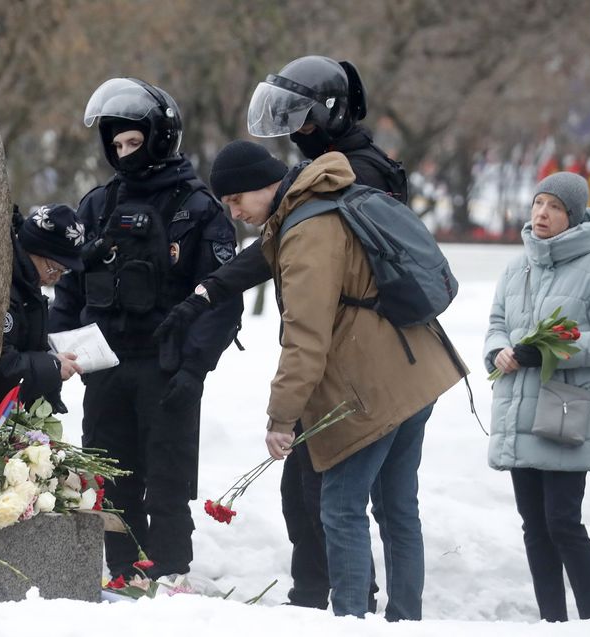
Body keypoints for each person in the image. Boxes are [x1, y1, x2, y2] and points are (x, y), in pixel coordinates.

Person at [157, 55, 402, 610]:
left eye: (304, 122)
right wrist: (204, 294)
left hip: (353, 358)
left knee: (341, 499)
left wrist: (280, 414)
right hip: (335, 359)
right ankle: (321, 596)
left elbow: (309, 307)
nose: (297, 134)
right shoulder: (316, 183)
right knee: (311, 493)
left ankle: (348, 603)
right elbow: (266, 253)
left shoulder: (347, 179)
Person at [208, 140, 464, 620]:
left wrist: (282, 417)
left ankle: (350, 622)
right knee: (397, 511)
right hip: (414, 370)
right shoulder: (327, 201)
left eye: (236, 198)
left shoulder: (308, 230)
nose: (234, 210)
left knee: (341, 510)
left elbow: (306, 337)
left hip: (370, 388)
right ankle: (406, 621)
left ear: (266, 184)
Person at [49, 77, 243, 581]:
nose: (124, 152)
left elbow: (222, 300)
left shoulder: (198, 209)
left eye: (133, 142)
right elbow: (68, 289)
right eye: (116, 144)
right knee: (110, 481)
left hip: (168, 369)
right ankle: (120, 573)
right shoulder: (97, 206)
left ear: (159, 137)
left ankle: (170, 576)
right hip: (105, 368)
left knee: (167, 482)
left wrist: (194, 367)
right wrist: (59, 353)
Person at [484, 172, 590, 622]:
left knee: (563, 522)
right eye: (538, 204)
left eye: (553, 206)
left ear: (571, 215)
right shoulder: (517, 268)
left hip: (565, 407)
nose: (541, 214)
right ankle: (553, 621)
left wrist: (550, 350)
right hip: (517, 408)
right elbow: (497, 323)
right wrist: (499, 352)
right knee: (535, 526)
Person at [0, 204, 86, 412]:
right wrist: (52, 367)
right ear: (33, 249)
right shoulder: (7, 287)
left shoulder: (29, 284)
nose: (54, 278)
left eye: (63, 272)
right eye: (53, 268)